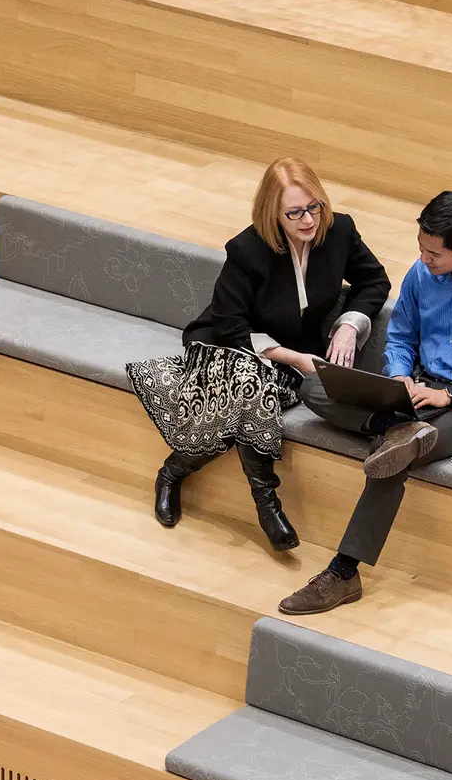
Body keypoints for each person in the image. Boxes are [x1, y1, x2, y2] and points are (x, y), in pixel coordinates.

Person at [279, 191, 452, 612]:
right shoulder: (422, 274)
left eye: (434, 253)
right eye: (420, 247)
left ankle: (344, 573)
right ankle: (396, 429)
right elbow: (401, 337)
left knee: (394, 459)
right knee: (314, 387)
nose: (423, 259)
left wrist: (450, 395)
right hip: (415, 394)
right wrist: (399, 374)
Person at [126, 158, 391, 551]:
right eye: (295, 212)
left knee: (247, 392)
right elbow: (229, 325)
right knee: (249, 384)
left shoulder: (339, 230)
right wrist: (294, 359)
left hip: (290, 355)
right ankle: (267, 505)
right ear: (273, 213)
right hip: (228, 345)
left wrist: (349, 326)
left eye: (314, 206)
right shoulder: (247, 249)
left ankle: (173, 471)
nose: (308, 220)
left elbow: (374, 281)